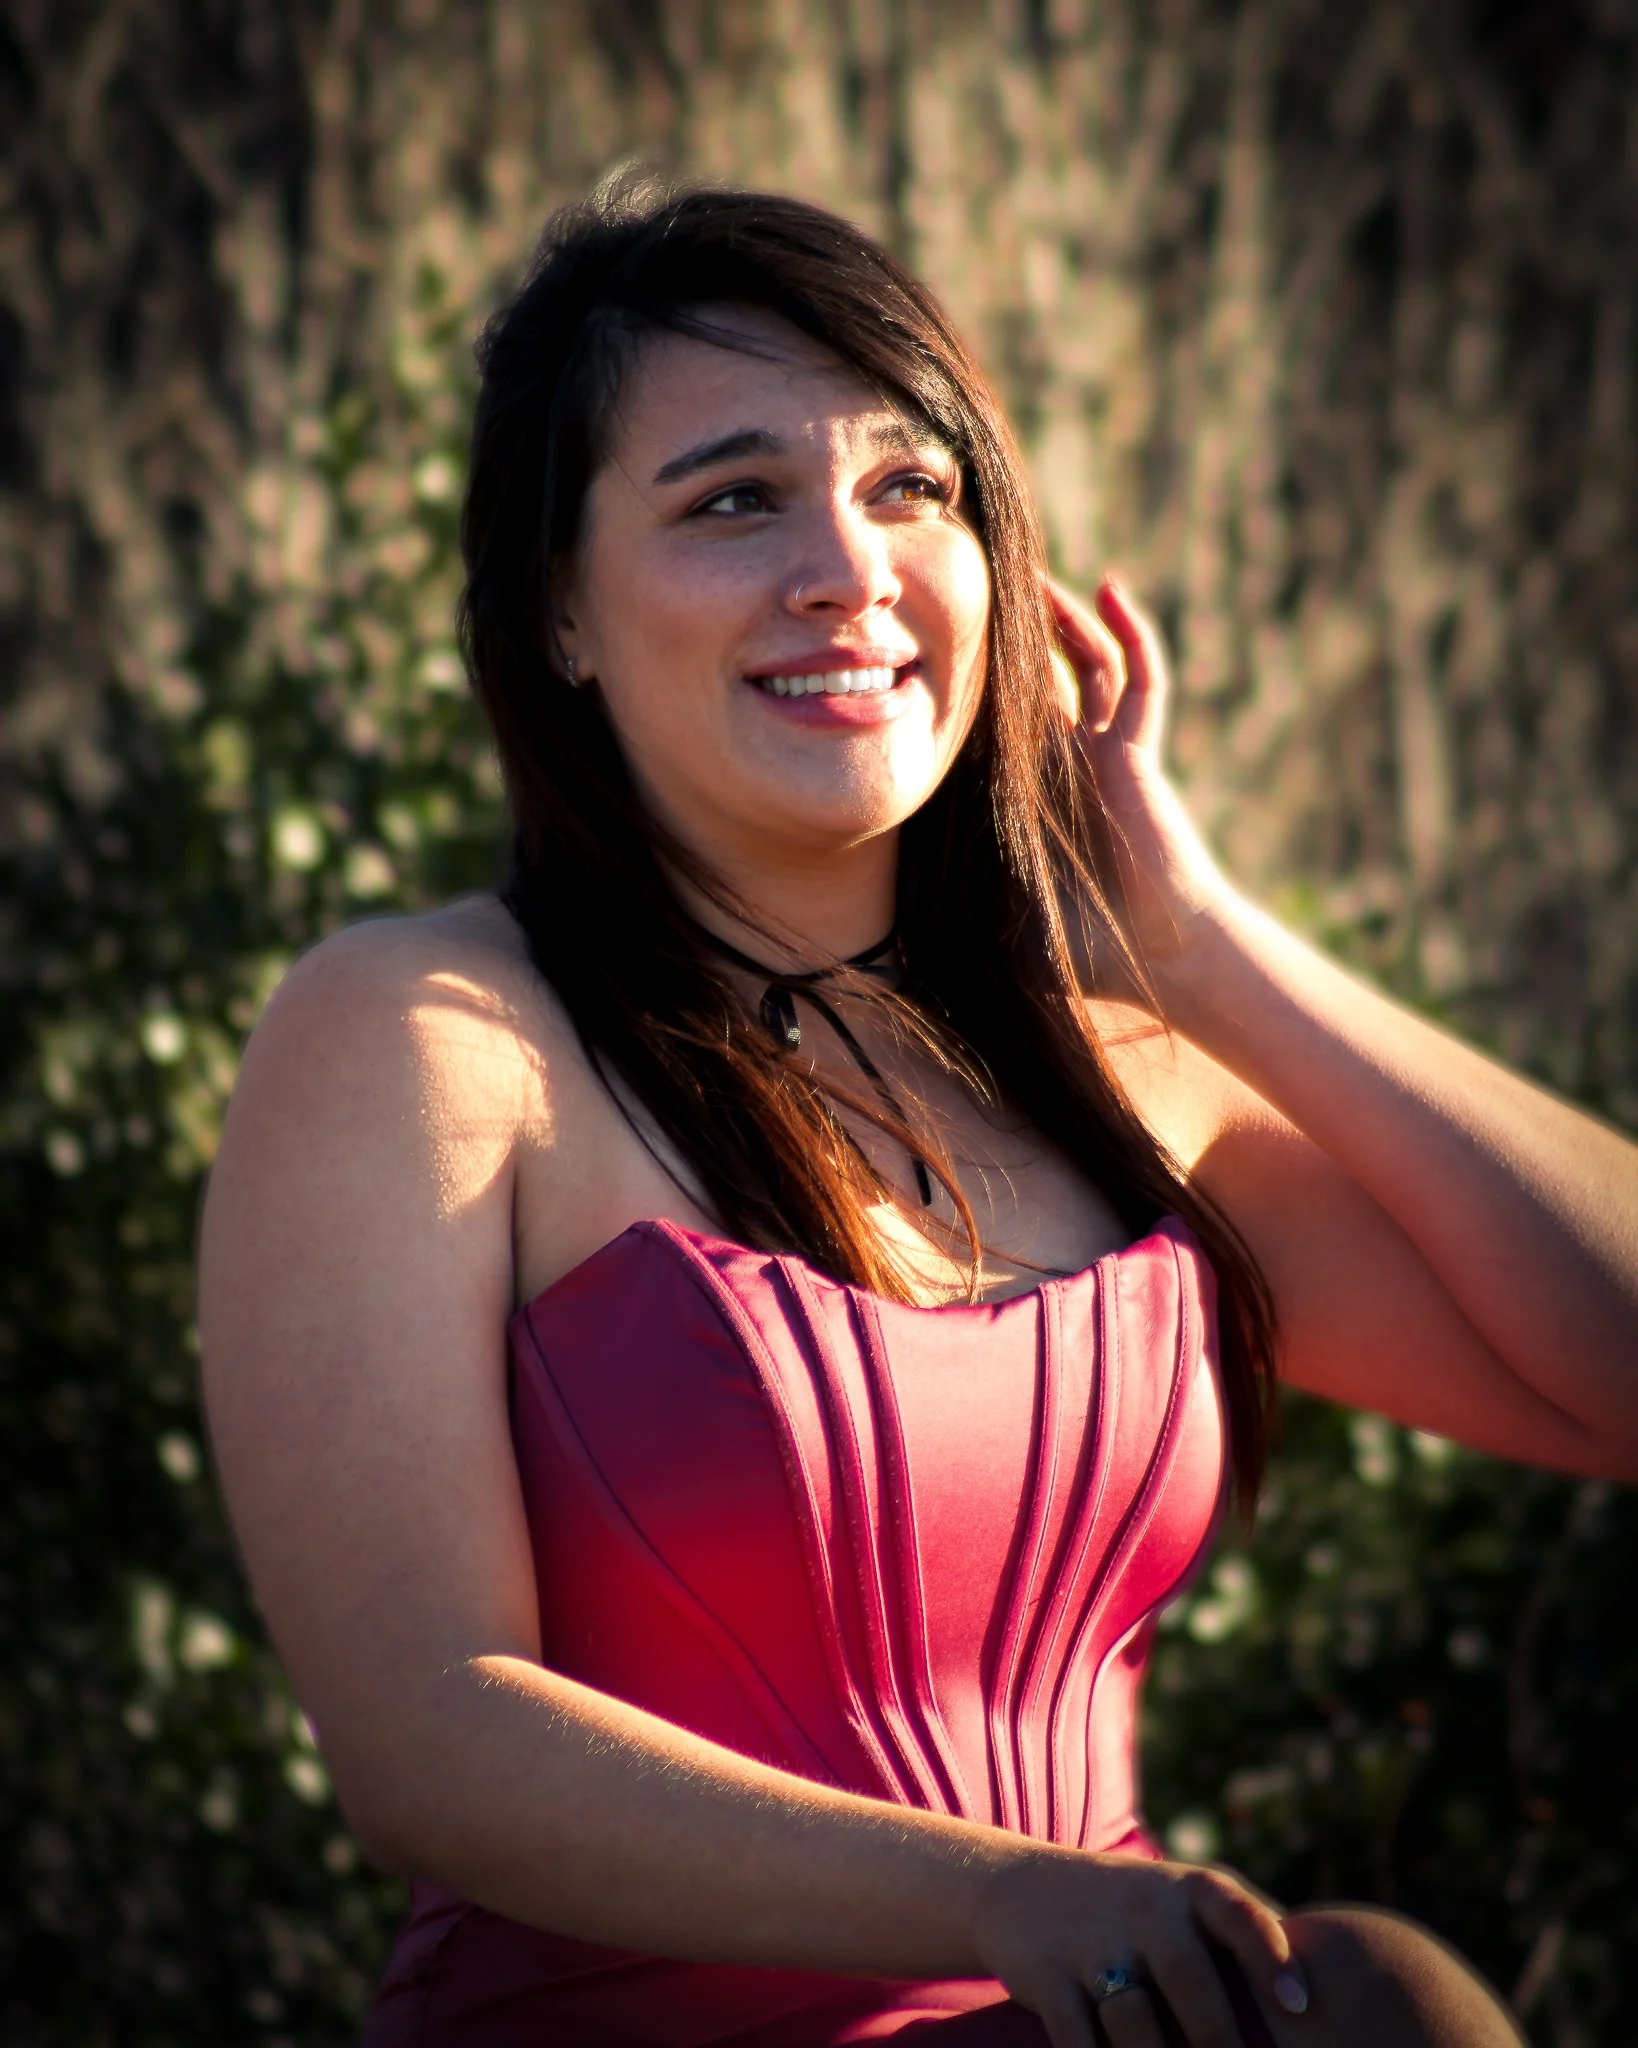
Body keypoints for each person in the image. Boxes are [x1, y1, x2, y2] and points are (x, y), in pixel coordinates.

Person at [198, 176, 1638, 2048]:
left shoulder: (1117, 1076)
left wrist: (1206, 950)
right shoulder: (430, 1036)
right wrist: (1000, 1891)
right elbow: (425, 1737)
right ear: (556, 607)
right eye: (732, 502)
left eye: (912, 490)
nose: (848, 571)